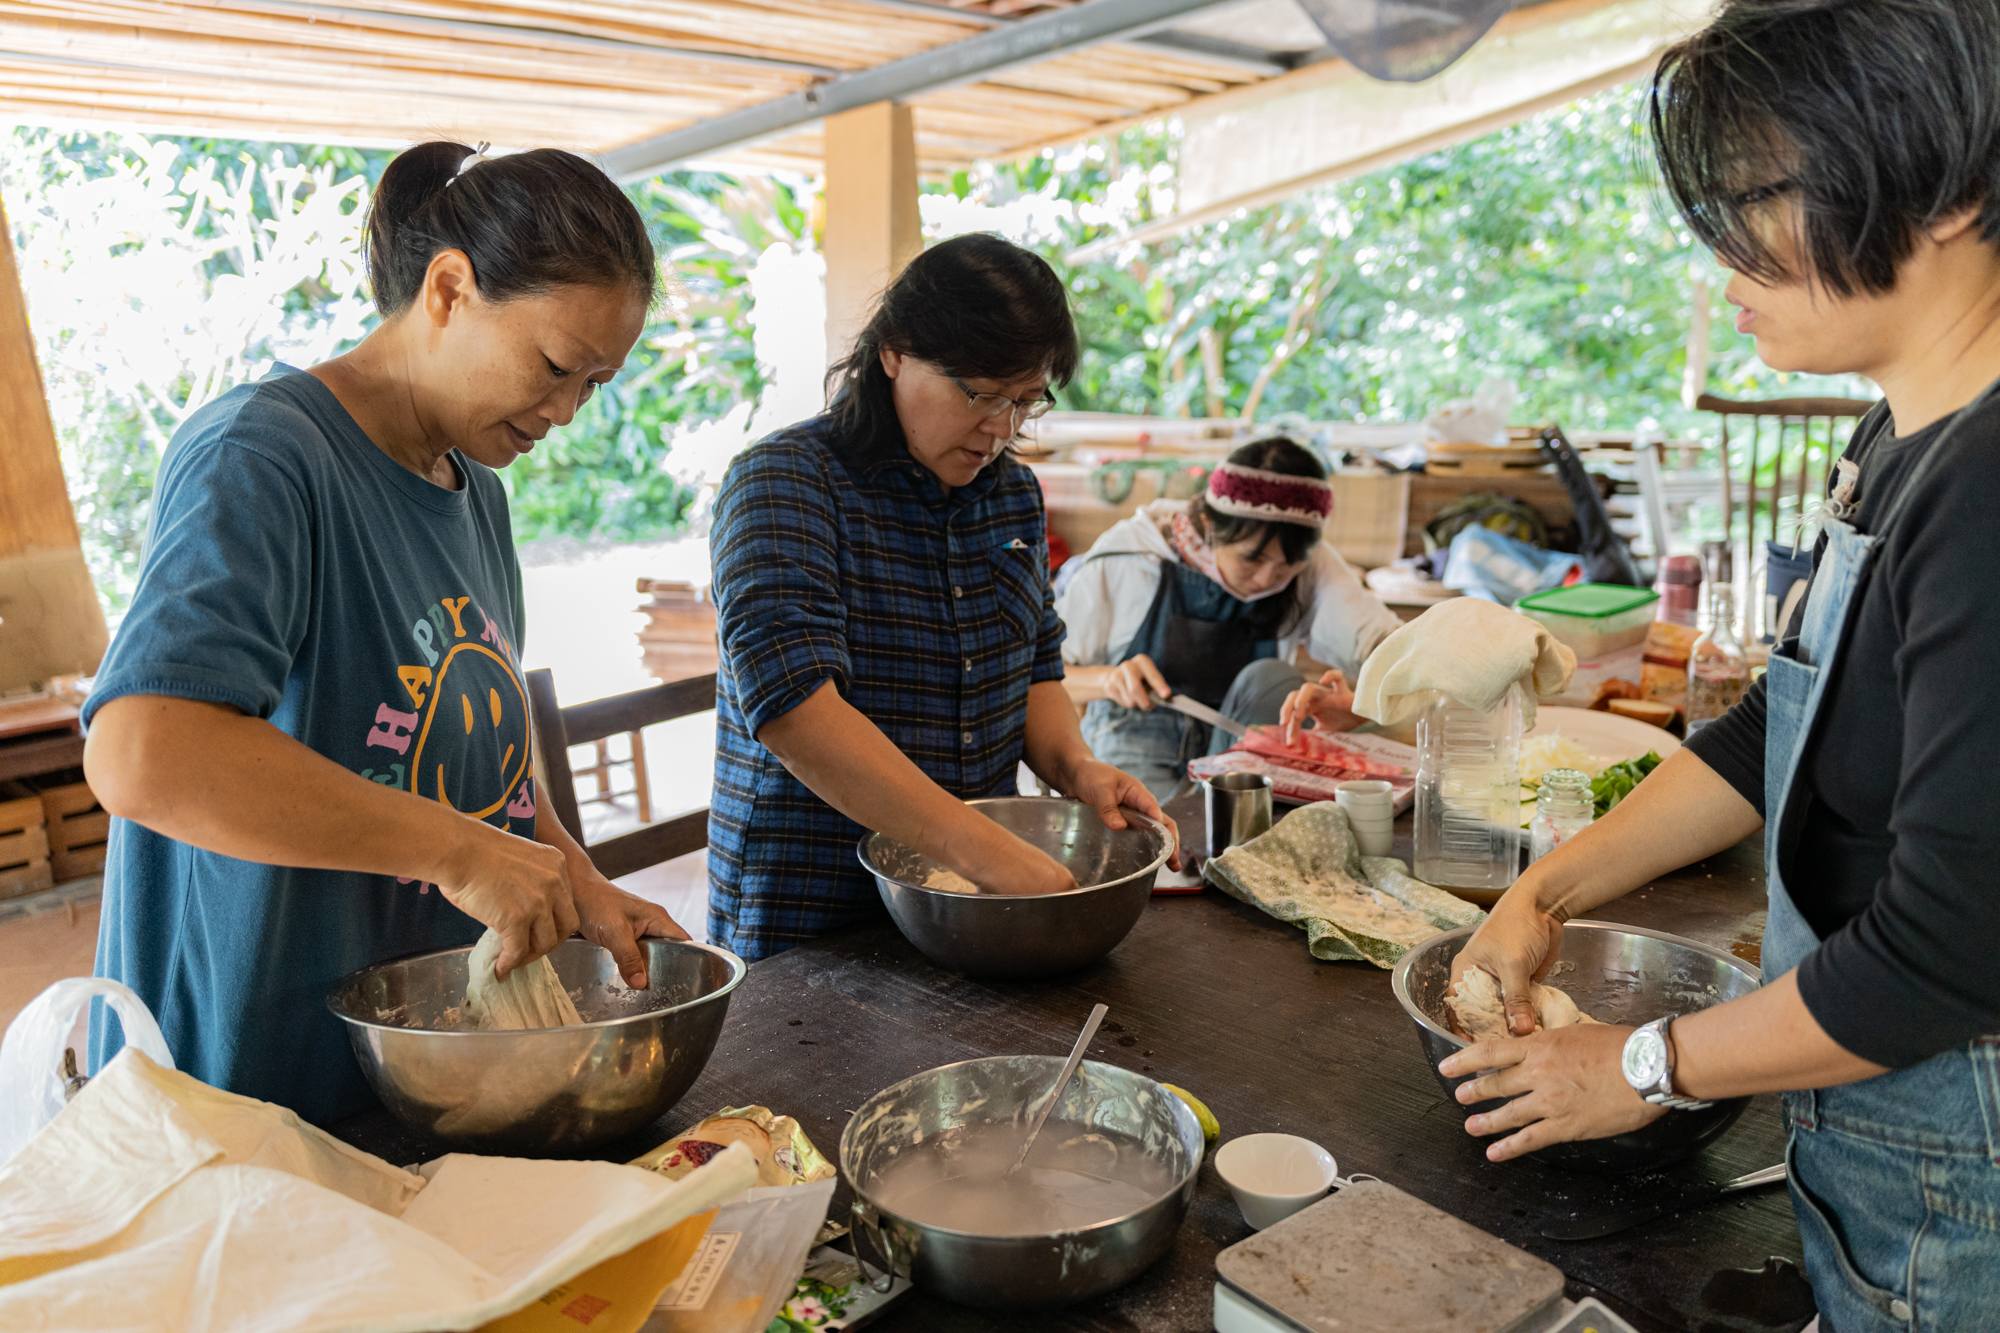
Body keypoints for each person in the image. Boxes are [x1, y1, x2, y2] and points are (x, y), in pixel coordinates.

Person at [1440, 3, 2000, 1327]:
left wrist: (1641, 1064)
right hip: (1875, 1123)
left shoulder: (1988, 494)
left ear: (1946, 190)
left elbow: (1946, 954)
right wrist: (1548, 895)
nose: (1720, 253)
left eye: (1759, 194)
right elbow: (1778, 733)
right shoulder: (1899, 435)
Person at [82, 141, 685, 1125]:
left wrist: (582, 885)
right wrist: (456, 854)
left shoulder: (474, 494)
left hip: (406, 1076)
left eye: (594, 385)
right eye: (555, 366)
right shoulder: (266, 458)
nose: (567, 412)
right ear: (448, 288)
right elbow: (143, 750)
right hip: (239, 1092)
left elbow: (482, 773)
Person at [706, 233, 1177, 960]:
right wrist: (987, 853)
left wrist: (1076, 768)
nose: (1000, 428)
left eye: (1025, 401)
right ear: (894, 349)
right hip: (816, 918)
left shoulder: (1012, 493)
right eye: (981, 393)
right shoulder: (783, 484)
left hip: (978, 913)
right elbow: (796, 712)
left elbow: (1033, 669)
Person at [1055, 437, 1402, 799]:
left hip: (1240, 737)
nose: (1269, 578)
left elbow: (1388, 646)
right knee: (1163, 840)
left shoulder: (1306, 558)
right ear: (1209, 524)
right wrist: (1108, 679)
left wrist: (1361, 702)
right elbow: (1046, 679)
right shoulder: (1130, 558)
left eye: (1287, 565)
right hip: (1136, 736)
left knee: (1272, 678)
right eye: (1252, 559)